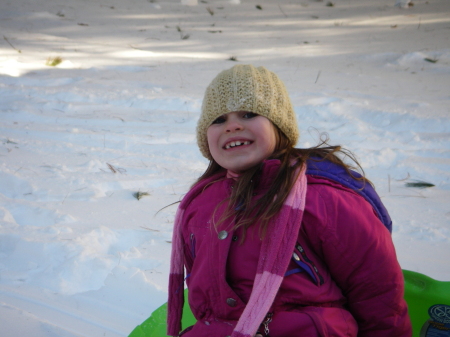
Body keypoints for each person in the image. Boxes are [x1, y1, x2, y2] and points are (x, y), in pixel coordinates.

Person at [167, 64, 412, 337]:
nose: (232, 125)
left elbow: (377, 295)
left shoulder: (322, 199)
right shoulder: (201, 206)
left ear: (278, 124)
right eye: (218, 119)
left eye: (248, 114)